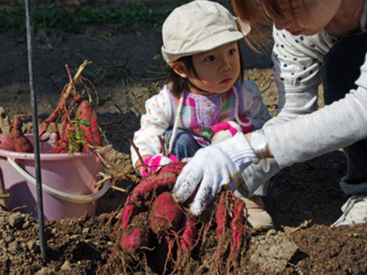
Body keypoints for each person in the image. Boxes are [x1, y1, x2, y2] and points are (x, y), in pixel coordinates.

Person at [173, 0, 367, 228]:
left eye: (292, 6)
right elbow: (295, 114)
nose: (281, 22)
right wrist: (238, 177)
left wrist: (243, 148)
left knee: (345, 59)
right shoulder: (294, 33)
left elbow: (364, 108)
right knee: (343, 64)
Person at [130, 0, 272, 228]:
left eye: (231, 52)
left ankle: (248, 200)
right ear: (181, 68)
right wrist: (156, 164)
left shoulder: (245, 94)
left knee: (242, 139)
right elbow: (147, 135)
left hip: (234, 169)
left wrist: (239, 130)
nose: (226, 65)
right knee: (178, 139)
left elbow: (266, 129)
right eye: (210, 58)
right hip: (187, 167)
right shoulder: (168, 101)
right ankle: (183, 202)